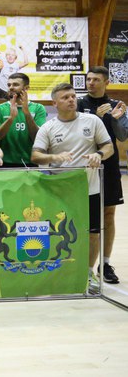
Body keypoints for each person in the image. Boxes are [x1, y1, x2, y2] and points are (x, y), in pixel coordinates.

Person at [31, 83, 113, 295]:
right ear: (54, 103)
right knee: (60, 233)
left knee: (93, 234)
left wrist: (98, 155)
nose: (71, 100)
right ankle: (59, 272)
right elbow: (36, 155)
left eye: (73, 96)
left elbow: (109, 147)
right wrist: (54, 156)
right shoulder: (48, 127)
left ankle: (88, 273)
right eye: (65, 97)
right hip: (60, 191)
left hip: (89, 189)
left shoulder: (92, 121)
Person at [78, 66, 128, 284]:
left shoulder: (117, 105)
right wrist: (94, 119)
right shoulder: (78, 103)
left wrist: (115, 119)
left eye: (96, 80)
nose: (91, 83)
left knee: (108, 214)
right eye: (89, 79)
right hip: (84, 165)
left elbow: (123, 137)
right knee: (84, 215)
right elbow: (76, 133)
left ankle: (105, 264)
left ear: (106, 82)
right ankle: (83, 264)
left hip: (109, 165)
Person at [0, 72, 46, 167]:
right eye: (9, 85)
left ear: (26, 88)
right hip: (2, 162)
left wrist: (27, 113)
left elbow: (37, 138)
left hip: (30, 163)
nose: (11, 87)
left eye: (15, 84)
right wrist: (10, 119)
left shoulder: (38, 108)